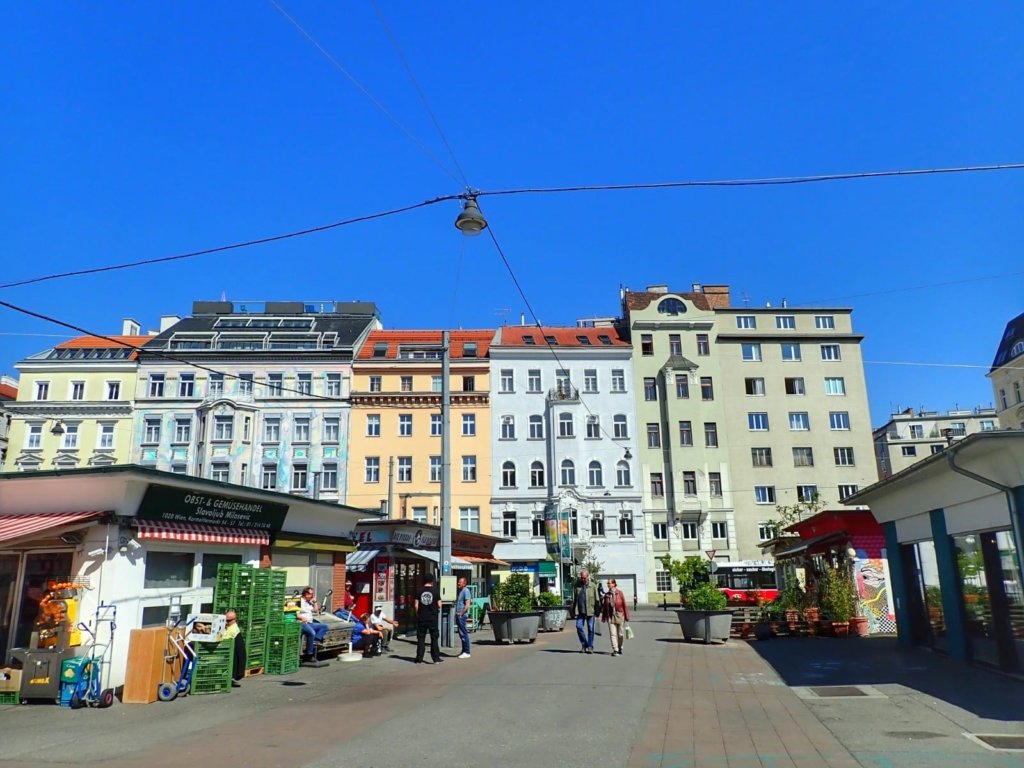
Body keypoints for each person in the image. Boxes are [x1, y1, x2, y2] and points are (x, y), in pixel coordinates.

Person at [414, 573, 442, 664]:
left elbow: (416, 606)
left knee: (421, 638)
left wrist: (418, 614)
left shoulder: (419, 591)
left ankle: (419, 658)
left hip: (422, 618)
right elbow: (439, 605)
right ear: (432, 581)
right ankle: (436, 658)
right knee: (434, 638)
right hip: (432, 618)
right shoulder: (435, 591)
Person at [297, 586, 328, 661]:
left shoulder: (308, 602)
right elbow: (296, 614)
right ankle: (309, 654)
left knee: (324, 626)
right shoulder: (298, 601)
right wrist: (302, 618)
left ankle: (314, 642)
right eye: (311, 594)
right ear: (306, 594)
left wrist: (315, 602)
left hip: (310, 623)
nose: (312, 596)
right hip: (302, 623)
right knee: (312, 633)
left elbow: (316, 610)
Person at [601, 578, 630, 656]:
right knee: (613, 634)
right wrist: (604, 617)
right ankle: (615, 649)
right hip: (610, 616)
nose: (608, 585)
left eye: (609, 583)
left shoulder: (620, 593)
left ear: (614, 584)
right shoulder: (607, 595)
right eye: (607, 583)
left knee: (620, 634)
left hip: (620, 615)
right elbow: (605, 607)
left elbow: (624, 604)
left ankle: (620, 647)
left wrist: (627, 616)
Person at [574, 570, 601, 654]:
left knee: (590, 629)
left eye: (584, 578)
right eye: (581, 578)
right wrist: (573, 610)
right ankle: (584, 643)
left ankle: (590, 646)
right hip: (580, 611)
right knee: (578, 627)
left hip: (590, 611)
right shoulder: (577, 585)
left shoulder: (592, 586)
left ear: (588, 577)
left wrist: (597, 612)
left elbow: (597, 600)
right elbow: (575, 599)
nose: (583, 579)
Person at [222, 609, 246, 686]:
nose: (226, 622)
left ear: (235, 620)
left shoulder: (235, 631)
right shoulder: (225, 627)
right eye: (225, 620)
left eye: (228, 620)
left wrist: (240, 672)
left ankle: (234, 676)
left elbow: (241, 653)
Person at [454, 576, 472, 659]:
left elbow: (467, 605)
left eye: (460, 582)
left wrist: (461, 613)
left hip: (462, 615)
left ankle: (467, 651)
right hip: (459, 614)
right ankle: (464, 650)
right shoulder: (461, 591)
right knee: (461, 633)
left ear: (464, 583)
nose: (458, 583)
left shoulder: (466, 591)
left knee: (463, 633)